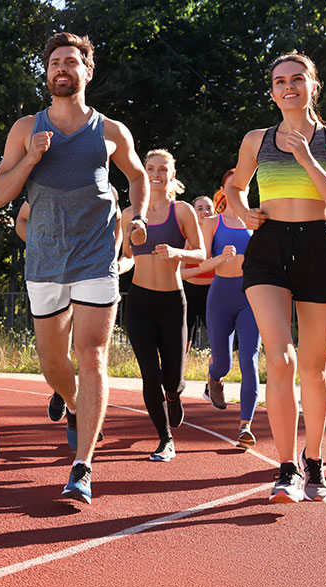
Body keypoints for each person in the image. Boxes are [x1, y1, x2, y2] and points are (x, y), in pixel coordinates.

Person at [0, 32, 149, 504]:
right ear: (47, 73)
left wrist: (138, 217)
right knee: (52, 361)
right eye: (54, 62)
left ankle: (82, 467)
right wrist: (32, 157)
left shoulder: (110, 131)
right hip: (44, 259)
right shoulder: (26, 129)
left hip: (95, 258)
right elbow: (0, 195)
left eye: (71, 61)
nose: (61, 68)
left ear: (87, 71)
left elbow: (137, 175)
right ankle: (76, 404)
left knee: (93, 354)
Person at [227, 52, 326, 502]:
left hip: (318, 245)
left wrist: (307, 159)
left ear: (312, 86)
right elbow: (234, 186)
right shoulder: (255, 140)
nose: (289, 87)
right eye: (280, 81)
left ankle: (313, 461)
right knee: (281, 360)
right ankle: (285, 469)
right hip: (269, 248)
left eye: (297, 79)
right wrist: (242, 212)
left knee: (314, 369)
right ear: (272, 91)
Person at [119, 149, 206, 461]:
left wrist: (177, 253)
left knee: (172, 379)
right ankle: (165, 438)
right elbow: (127, 254)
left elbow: (201, 253)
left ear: (172, 174)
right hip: (139, 303)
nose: (156, 174)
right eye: (150, 168)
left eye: (162, 169)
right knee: (149, 375)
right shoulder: (129, 214)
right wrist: (123, 258)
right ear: (143, 173)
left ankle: (173, 394)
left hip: (172, 303)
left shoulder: (182, 211)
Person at [14, 188, 125, 426]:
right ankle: (64, 392)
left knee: (91, 352)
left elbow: (118, 222)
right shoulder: (51, 184)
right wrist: (42, 247)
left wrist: (112, 254)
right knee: (58, 348)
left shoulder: (105, 187)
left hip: (92, 271)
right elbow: (21, 220)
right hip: (56, 273)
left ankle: (86, 420)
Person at [192, 169, 262, 449]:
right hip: (220, 296)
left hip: (250, 297)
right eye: (232, 186)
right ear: (222, 191)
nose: (238, 190)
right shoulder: (212, 223)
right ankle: (214, 377)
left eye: (242, 185)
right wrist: (220, 259)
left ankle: (245, 425)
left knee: (249, 359)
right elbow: (201, 264)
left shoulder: (257, 222)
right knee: (223, 363)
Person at [181, 195, 217, 353]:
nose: (205, 212)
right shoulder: (187, 237)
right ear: (193, 213)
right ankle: (180, 367)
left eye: (209, 208)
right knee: (184, 337)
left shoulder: (220, 234)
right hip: (188, 292)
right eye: (200, 209)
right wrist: (201, 269)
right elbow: (179, 273)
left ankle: (216, 368)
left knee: (218, 337)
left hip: (213, 292)